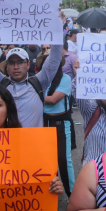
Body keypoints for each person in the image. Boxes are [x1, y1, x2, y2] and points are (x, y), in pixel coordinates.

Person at [36, 51, 75, 197]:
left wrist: (34, 94)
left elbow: (53, 100)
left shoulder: (65, 79)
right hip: (43, 122)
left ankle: (72, 194)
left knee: (64, 160)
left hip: (61, 123)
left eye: (52, 63)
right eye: (47, 64)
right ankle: (50, 192)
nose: (50, 66)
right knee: (45, 159)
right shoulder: (39, 80)